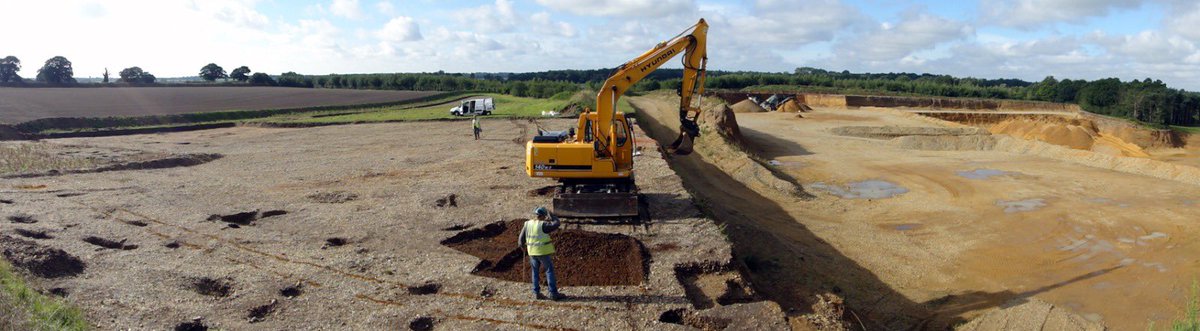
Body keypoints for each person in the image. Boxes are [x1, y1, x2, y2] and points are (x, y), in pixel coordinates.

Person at [518, 207, 563, 300]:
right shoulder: (543, 225)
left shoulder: (527, 224)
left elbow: (520, 241)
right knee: (549, 270)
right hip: (542, 252)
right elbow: (557, 223)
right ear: (543, 216)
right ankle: (553, 293)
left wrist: (524, 249)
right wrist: (552, 215)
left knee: (535, 271)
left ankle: (536, 293)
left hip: (532, 252)